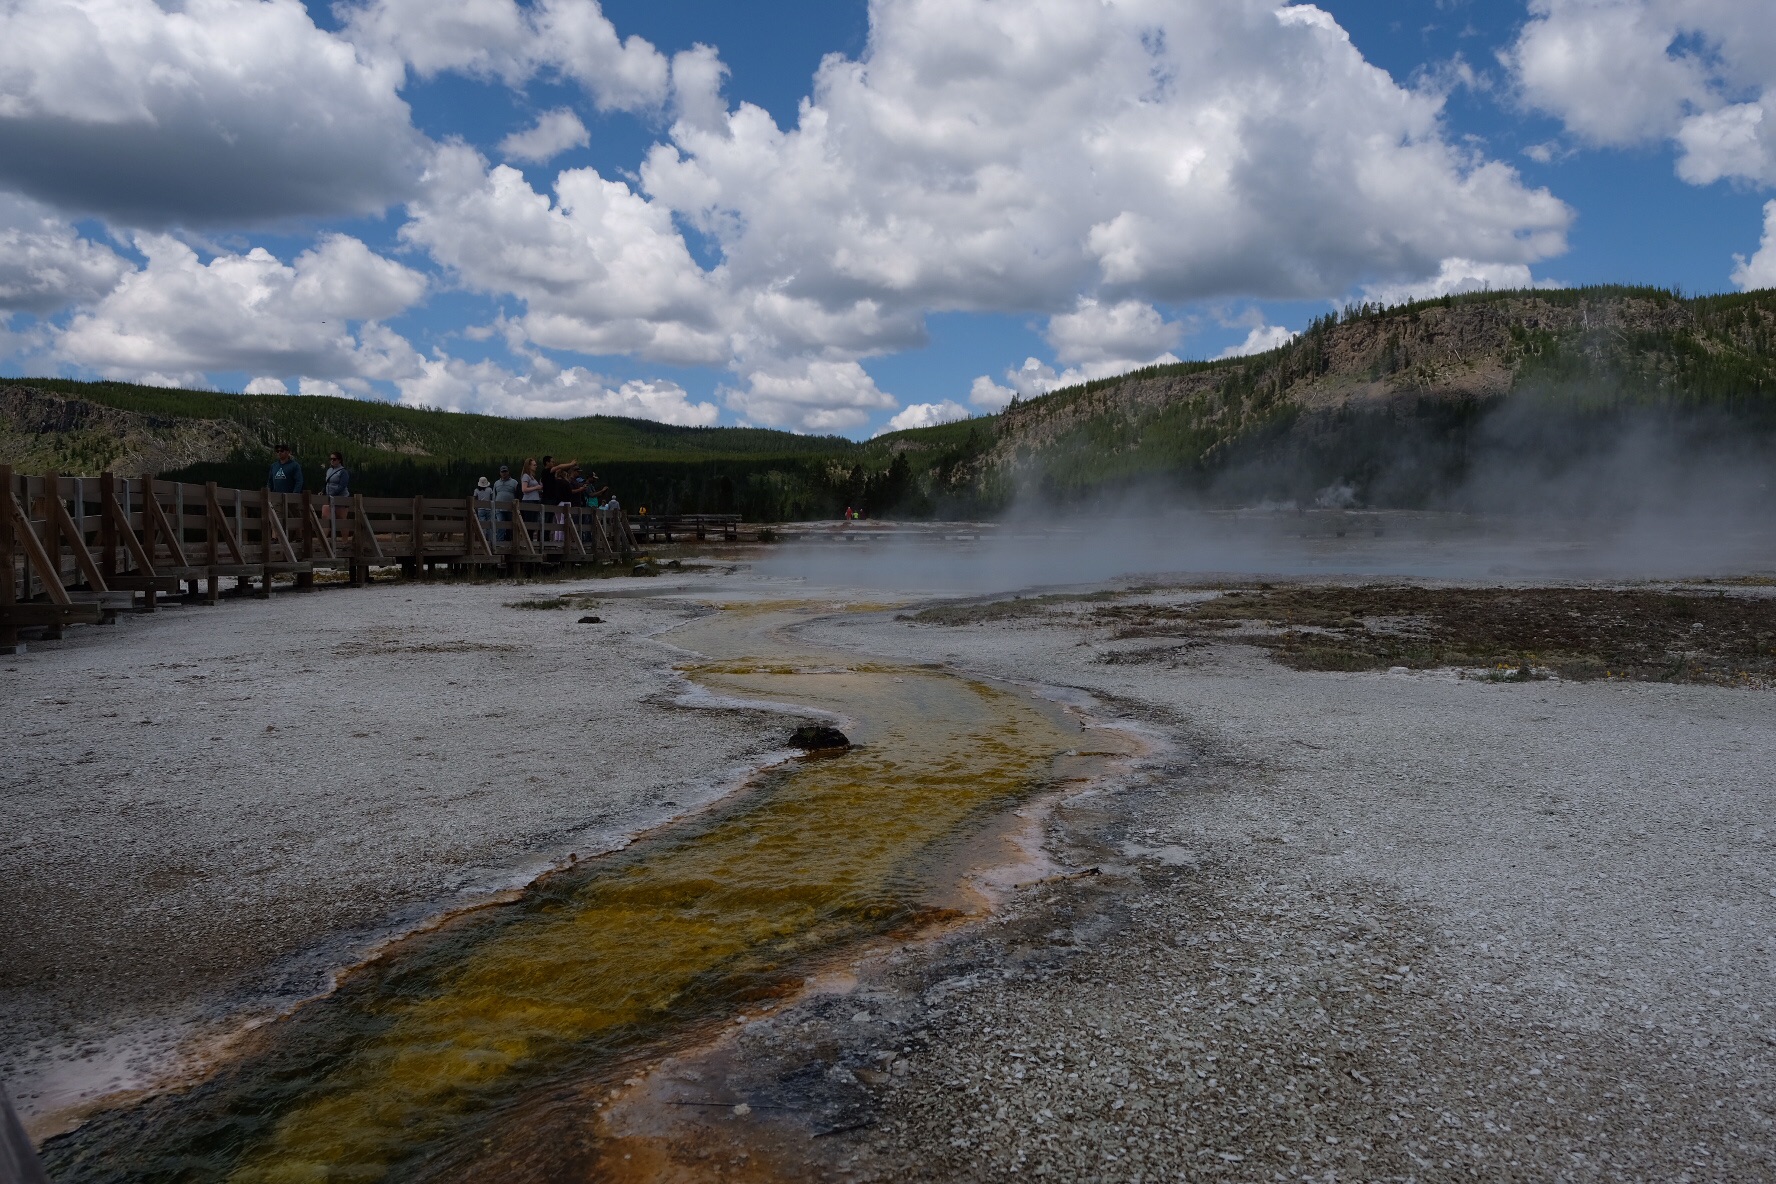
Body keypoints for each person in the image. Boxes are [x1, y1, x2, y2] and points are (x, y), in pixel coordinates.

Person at [492, 464, 519, 543]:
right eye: (502, 472)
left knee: (511, 526)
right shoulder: (496, 483)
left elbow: (517, 494)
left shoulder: (514, 482)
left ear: (508, 472)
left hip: (511, 508)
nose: (504, 473)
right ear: (500, 473)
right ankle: (499, 543)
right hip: (499, 508)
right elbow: (494, 495)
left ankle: (510, 541)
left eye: (505, 471)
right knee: (500, 525)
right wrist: (494, 506)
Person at [473, 476, 495, 545]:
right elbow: (492, 498)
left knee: (482, 525)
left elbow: (475, 499)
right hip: (488, 508)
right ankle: (490, 540)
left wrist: (475, 508)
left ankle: (483, 539)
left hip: (480, 509)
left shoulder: (476, 490)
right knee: (489, 524)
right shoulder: (490, 490)